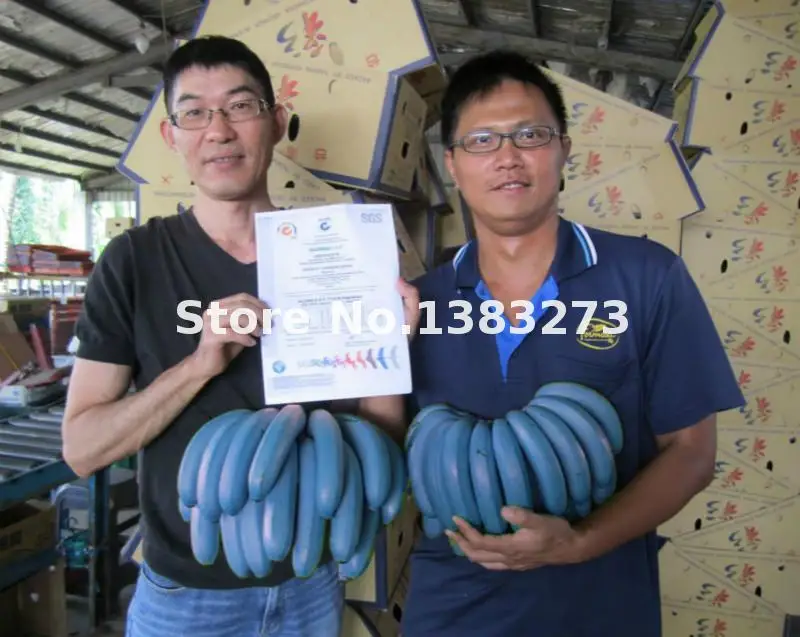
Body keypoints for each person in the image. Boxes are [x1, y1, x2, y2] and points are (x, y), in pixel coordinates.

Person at [61, 36, 416, 637]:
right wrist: (200, 363)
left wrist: (391, 348)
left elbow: (380, 439)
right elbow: (83, 448)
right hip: (184, 597)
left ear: (276, 122)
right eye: (195, 113)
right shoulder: (134, 261)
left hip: (311, 582)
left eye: (240, 106)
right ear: (172, 136)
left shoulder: (338, 251)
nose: (219, 130)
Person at [398, 50, 745, 637]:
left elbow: (692, 453)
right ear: (452, 164)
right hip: (453, 613)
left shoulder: (646, 277)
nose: (508, 156)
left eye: (530, 135)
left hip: (602, 610)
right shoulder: (417, 305)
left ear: (564, 148)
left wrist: (579, 542)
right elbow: (388, 453)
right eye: (481, 141)